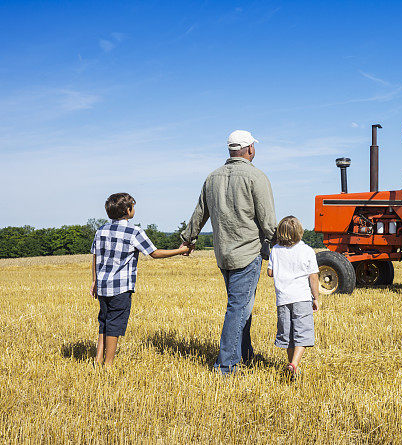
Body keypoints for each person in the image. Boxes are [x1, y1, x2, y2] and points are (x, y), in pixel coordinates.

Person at [181, 130, 277, 375]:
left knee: (242, 305)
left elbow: (200, 213)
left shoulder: (212, 177)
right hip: (248, 252)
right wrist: (280, 245)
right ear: (249, 149)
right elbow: (267, 221)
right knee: (238, 307)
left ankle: (245, 354)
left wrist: (188, 238)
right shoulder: (257, 177)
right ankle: (226, 365)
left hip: (223, 253)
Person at [91, 193, 190, 366]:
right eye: (133, 207)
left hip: (102, 285)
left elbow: (95, 257)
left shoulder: (101, 230)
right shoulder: (133, 231)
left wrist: (94, 281)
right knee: (114, 325)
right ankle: (108, 365)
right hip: (120, 287)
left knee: (104, 322)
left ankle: (97, 359)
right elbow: (155, 253)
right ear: (128, 210)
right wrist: (181, 251)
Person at [267, 216, 320, 379]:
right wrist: (316, 297)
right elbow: (313, 277)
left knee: (288, 334)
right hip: (302, 298)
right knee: (302, 333)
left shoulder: (275, 250)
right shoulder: (307, 251)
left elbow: (270, 272)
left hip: (283, 299)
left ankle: (291, 364)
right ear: (300, 232)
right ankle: (294, 364)